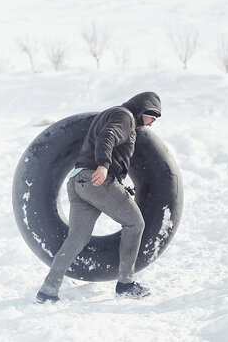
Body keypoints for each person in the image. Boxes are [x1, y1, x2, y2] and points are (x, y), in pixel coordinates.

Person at [36, 92, 162, 303]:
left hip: (78, 180)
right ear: (144, 110)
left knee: (77, 237)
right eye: (153, 118)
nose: (151, 124)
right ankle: (125, 284)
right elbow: (108, 136)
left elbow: (105, 137)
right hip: (97, 179)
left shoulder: (113, 114)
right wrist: (103, 166)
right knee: (135, 223)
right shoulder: (124, 118)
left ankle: (47, 291)